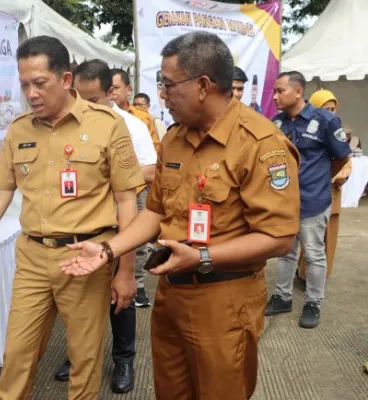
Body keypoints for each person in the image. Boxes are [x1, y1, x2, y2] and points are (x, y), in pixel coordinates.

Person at [59, 31, 300, 399]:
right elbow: (155, 210)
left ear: (203, 85)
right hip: (171, 294)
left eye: (169, 85)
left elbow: (280, 237)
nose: (163, 96)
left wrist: (203, 256)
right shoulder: (174, 137)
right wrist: (109, 250)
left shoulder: (260, 144)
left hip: (225, 301)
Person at [0, 36, 144, 400]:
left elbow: (127, 201)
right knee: (16, 354)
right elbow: (0, 194)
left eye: (40, 83)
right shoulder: (19, 129)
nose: (31, 94)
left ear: (65, 79)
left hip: (86, 258)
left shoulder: (107, 125)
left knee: (84, 358)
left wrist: (125, 270)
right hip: (32, 257)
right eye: (24, 85)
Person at [50, 58, 157, 393]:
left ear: (111, 92)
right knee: (77, 295)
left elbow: (152, 171)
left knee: (120, 293)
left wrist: (117, 172)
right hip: (79, 224)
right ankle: (80, 355)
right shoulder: (65, 123)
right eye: (76, 96)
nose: (82, 105)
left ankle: (123, 358)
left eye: (91, 99)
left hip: (118, 222)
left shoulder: (129, 125)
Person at [266, 76, 351, 329]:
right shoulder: (277, 123)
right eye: (274, 92)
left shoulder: (325, 121)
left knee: (314, 253)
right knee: (285, 252)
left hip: (314, 200)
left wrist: (319, 179)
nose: (275, 97)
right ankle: (282, 297)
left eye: (280, 91)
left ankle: (314, 302)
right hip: (284, 202)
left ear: (298, 91)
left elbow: (341, 158)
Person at [294, 90, 352, 280]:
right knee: (309, 241)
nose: (330, 112)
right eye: (325, 108)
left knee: (328, 239)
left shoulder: (337, 129)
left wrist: (339, 175)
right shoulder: (306, 130)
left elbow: (345, 159)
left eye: (333, 109)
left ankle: (321, 276)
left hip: (331, 193)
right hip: (309, 194)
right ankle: (303, 274)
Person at [111, 68, 161, 152]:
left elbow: (154, 149)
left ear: (129, 89)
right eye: (108, 88)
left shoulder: (143, 117)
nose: (112, 92)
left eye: (116, 88)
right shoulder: (98, 115)